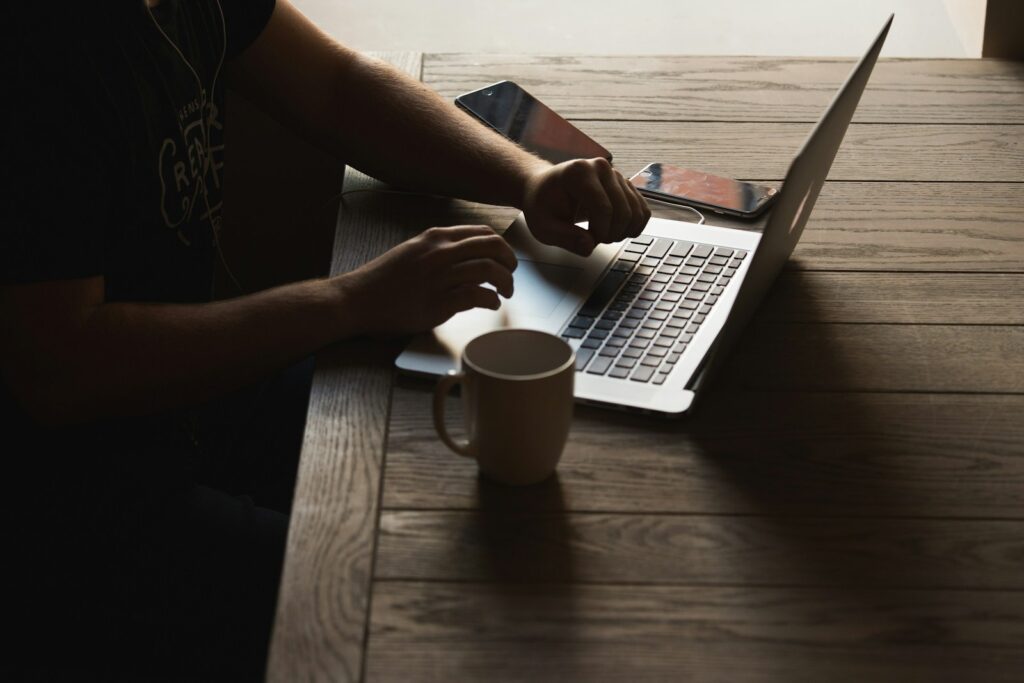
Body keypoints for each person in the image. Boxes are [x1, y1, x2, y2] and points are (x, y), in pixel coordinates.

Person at [0, 0, 650, 679]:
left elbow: (337, 88)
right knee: (402, 602)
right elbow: (60, 365)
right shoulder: (36, 44)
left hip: (191, 402)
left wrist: (527, 178)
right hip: (69, 504)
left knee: (457, 436)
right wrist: (351, 299)